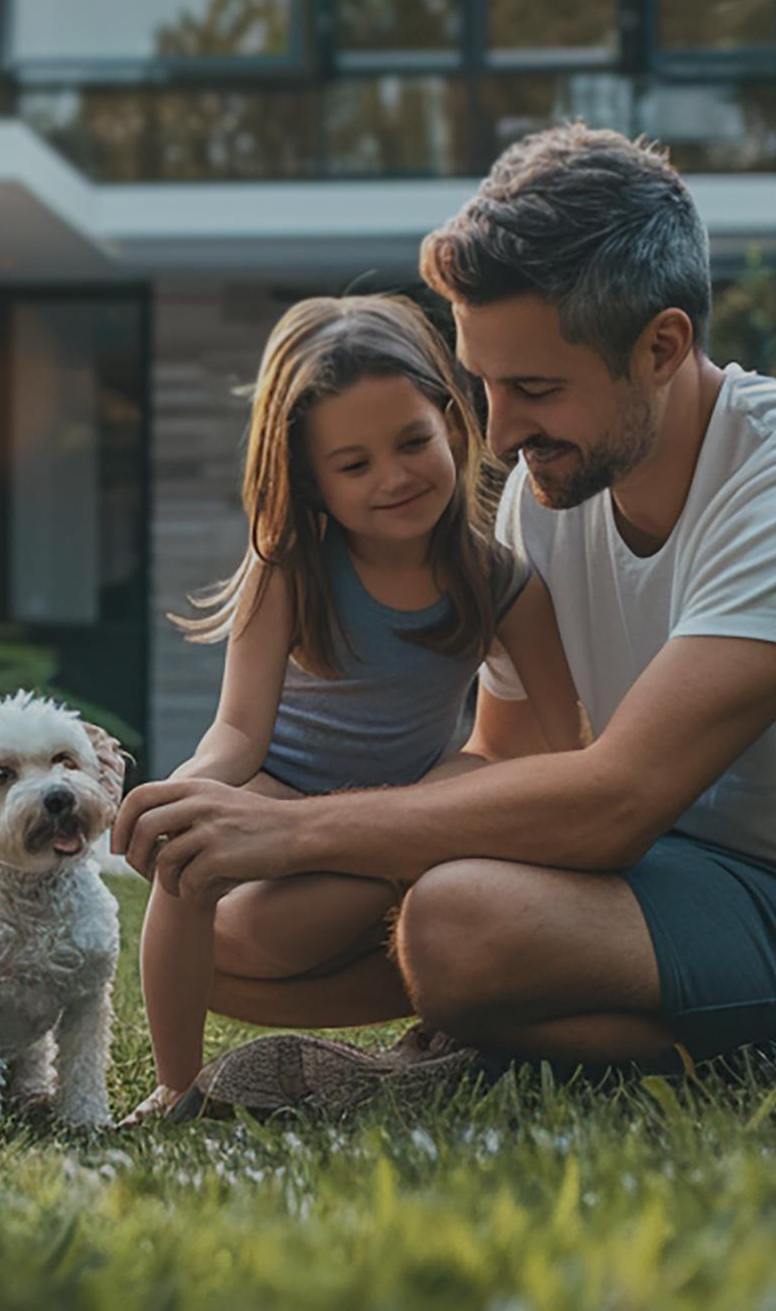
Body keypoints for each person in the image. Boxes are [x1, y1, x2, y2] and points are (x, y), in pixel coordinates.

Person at [115, 125, 776, 1115]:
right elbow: (506, 760)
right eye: (484, 384)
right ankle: (507, 1017)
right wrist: (265, 836)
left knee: (454, 916)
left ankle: (566, 1039)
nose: (498, 433)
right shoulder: (550, 491)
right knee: (244, 945)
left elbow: (616, 797)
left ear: (662, 346)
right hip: (686, 873)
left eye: (536, 389)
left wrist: (293, 835)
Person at [119, 294, 584, 1126]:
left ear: (450, 420)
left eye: (411, 441)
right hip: (281, 789)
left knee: (463, 785)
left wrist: (473, 813)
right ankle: (174, 1087)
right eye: (355, 464)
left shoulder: (503, 582)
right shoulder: (291, 567)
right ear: (312, 479)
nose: (396, 478)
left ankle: (454, 997)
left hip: (404, 807)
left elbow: (562, 746)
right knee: (204, 872)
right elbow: (237, 731)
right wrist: (192, 788)